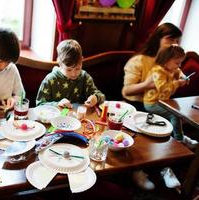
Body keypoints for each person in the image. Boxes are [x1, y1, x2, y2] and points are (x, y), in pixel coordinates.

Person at [121, 23, 190, 191]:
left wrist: (182, 78)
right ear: (157, 39)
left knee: (174, 119)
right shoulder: (139, 61)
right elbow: (126, 91)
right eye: (170, 39)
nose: (175, 43)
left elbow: (178, 74)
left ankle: (166, 167)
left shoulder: (171, 60)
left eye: (177, 40)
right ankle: (137, 169)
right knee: (147, 129)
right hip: (137, 104)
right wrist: (146, 84)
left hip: (161, 102)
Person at [144, 45, 198, 148]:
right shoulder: (158, 71)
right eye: (177, 63)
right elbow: (163, 88)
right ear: (166, 60)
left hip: (164, 101)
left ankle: (180, 135)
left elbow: (178, 71)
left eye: (181, 63)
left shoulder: (172, 68)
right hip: (152, 103)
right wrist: (178, 83)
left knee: (177, 110)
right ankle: (180, 140)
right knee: (175, 114)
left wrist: (183, 76)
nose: (179, 65)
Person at [36, 39, 105, 108]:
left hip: (78, 117)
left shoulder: (85, 77)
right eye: (69, 70)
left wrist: (95, 98)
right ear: (60, 63)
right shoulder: (50, 80)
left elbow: (101, 96)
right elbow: (40, 104)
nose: (74, 74)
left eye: (77, 68)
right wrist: (57, 104)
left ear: (82, 60)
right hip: (57, 117)